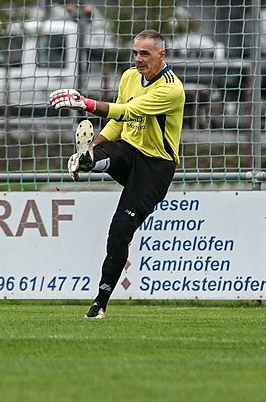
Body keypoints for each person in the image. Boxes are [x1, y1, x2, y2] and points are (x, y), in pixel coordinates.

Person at [48, 29, 185, 319]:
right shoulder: (129, 77)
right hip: (129, 152)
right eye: (135, 53)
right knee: (110, 150)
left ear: (162, 54)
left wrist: (85, 103)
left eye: (145, 53)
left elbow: (128, 112)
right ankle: (87, 160)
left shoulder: (171, 89)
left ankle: (99, 304)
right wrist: (92, 148)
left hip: (155, 168)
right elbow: (116, 125)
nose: (138, 59)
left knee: (119, 233)